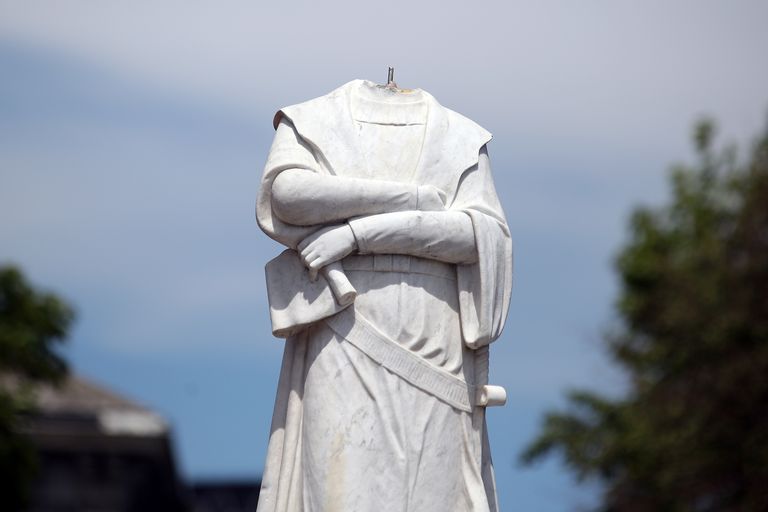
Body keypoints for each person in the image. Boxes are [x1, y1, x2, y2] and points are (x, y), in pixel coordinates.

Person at [256, 79, 512, 512]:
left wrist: (356, 235)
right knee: (339, 489)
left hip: (434, 335)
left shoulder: (461, 137)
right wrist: (410, 198)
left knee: (433, 493)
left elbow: (478, 236)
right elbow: (287, 196)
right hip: (342, 331)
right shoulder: (314, 120)